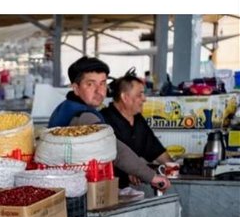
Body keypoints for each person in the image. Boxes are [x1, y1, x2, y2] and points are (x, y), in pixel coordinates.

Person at [48, 56, 169, 192]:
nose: (99, 90)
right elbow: (113, 147)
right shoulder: (83, 116)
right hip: (71, 191)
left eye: (103, 83)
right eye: (90, 84)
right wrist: (152, 177)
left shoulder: (66, 108)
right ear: (76, 88)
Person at [102, 69, 173, 188]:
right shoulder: (104, 120)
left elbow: (156, 150)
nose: (144, 99)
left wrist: (172, 166)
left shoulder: (138, 119)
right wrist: (132, 171)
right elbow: (109, 158)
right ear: (125, 97)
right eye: (139, 95)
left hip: (132, 189)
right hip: (108, 188)